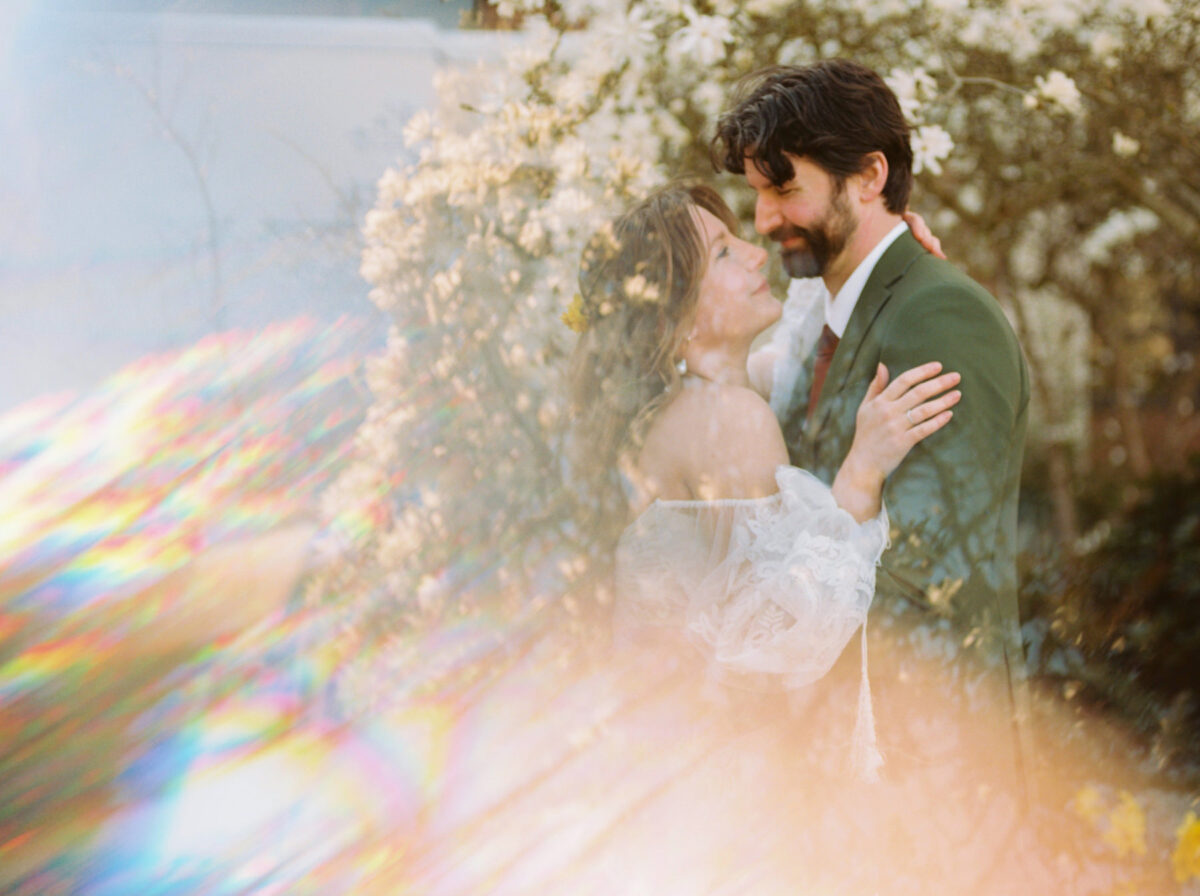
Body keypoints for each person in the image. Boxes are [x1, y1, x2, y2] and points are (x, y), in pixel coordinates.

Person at [565, 182, 961, 778]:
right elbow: (775, 635)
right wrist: (864, 469)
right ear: (677, 320)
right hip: (724, 778)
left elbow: (806, 349)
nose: (754, 253)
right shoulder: (723, 417)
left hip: (673, 762)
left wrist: (884, 255)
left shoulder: (707, 399)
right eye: (723, 253)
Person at [712, 58, 1032, 790]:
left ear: (868, 176)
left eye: (784, 187)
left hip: (925, 755)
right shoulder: (833, 316)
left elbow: (936, 575)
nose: (764, 221)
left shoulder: (938, 317)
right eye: (757, 193)